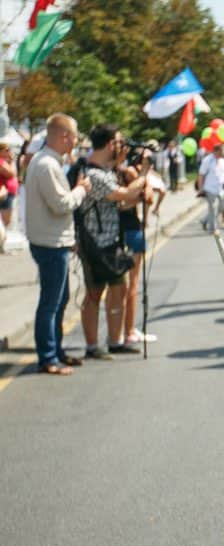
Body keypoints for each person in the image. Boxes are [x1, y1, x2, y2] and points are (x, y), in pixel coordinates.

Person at [25, 113, 90, 375]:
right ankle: (48, 357)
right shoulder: (47, 165)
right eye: (74, 136)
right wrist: (82, 189)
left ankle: (56, 351)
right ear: (64, 136)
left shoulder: (48, 161)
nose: (76, 141)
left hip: (54, 241)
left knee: (58, 300)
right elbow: (61, 204)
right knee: (51, 303)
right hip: (50, 244)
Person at [76, 124, 147, 360]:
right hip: (94, 243)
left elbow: (123, 202)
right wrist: (145, 174)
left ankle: (115, 341)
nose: (121, 146)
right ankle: (92, 346)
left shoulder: (106, 171)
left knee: (120, 288)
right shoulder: (92, 173)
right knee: (95, 294)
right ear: (109, 144)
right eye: (118, 142)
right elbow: (121, 194)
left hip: (111, 241)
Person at [116, 140, 160, 346]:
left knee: (123, 286)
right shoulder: (132, 173)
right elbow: (149, 198)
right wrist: (145, 175)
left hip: (122, 230)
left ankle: (123, 331)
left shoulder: (117, 171)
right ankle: (129, 330)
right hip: (132, 229)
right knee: (132, 284)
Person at [199, 143, 224, 237]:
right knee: (213, 209)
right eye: (221, 151)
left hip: (220, 189)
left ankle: (204, 220)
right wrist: (201, 188)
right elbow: (201, 175)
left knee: (221, 208)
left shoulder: (223, 161)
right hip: (210, 189)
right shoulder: (207, 160)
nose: (223, 153)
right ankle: (213, 229)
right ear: (216, 151)